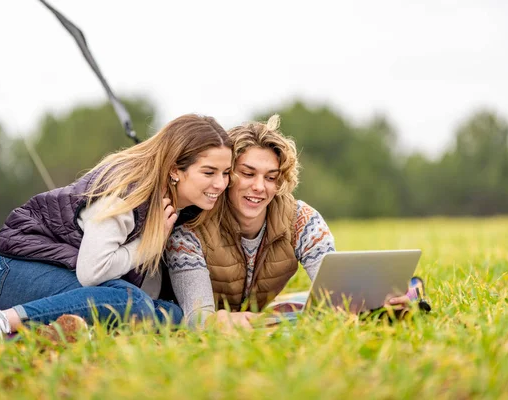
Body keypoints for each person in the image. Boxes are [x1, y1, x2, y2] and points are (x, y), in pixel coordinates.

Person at [0, 114, 232, 345]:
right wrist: (147, 244)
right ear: (175, 169)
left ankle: (57, 332)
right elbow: (92, 271)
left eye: (226, 172)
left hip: (71, 279)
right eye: (209, 172)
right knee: (129, 301)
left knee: (168, 312)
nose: (220, 184)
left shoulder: (181, 206)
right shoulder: (127, 191)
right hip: (17, 271)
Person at [165, 115, 410, 330]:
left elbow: (337, 299)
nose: (260, 187)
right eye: (248, 174)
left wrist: (376, 305)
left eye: (271, 177)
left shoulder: (302, 221)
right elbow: (197, 317)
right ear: (227, 174)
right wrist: (218, 321)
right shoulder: (190, 229)